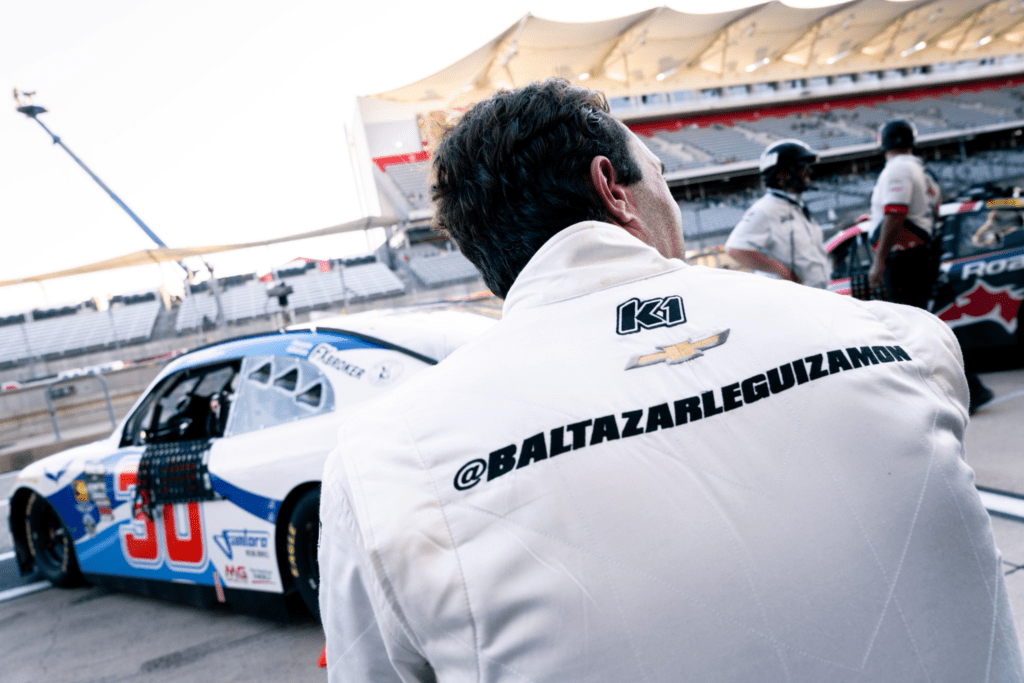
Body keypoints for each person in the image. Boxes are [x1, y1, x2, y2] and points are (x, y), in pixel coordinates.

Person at [318, 79, 1022, 682]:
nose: (675, 203)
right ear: (612, 189)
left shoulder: (384, 460)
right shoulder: (900, 338)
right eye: (663, 176)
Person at [868, 118, 993, 412]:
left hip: (905, 259)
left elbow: (895, 215)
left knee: (911, 330)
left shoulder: (899, 168)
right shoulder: (922, 169)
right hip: (917, 257)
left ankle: (967, 388)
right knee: (920, 328)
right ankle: (967, 387)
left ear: (883, 142)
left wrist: (879, 260)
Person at [725, 139, 830, 288]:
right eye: (801, 167)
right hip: (792, 298)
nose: (807, 171)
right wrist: (780, 269)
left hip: (815, 294)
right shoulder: (766, 209)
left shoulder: (795, 205)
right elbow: (735, 249)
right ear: (781, 175)